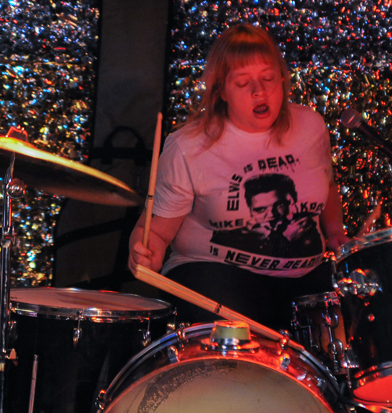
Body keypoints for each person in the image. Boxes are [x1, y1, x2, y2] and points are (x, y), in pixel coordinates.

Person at [128, 23, 349, 330]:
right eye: (243, 83)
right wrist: (145, 252)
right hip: (215, 274)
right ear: (221, 91)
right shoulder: (189, 146)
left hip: (304, 277)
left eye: (268, 78)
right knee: (236, 326)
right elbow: (156, 232)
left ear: (282, 79)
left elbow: (327, 185)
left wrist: (335, 231)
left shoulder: (310, 126)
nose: (259, 91)